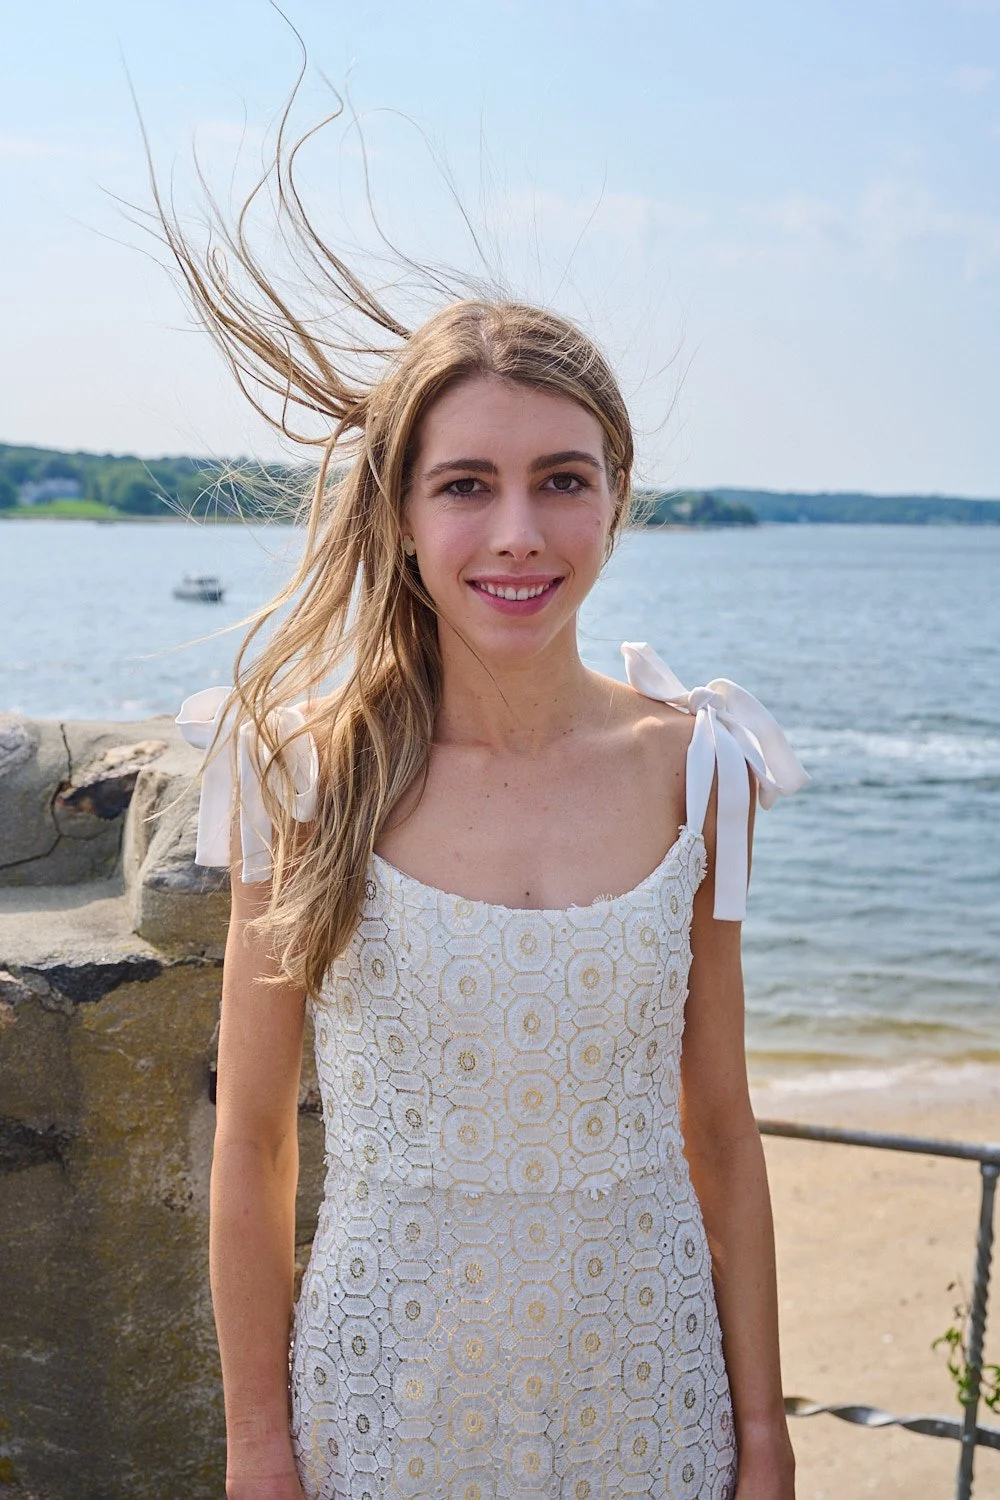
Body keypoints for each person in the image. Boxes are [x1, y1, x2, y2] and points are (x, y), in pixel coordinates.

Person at [169, 125, 807, 1500]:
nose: (518, 531)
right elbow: (254, 1136)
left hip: (648, 1389)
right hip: (386, 1401)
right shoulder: (303, 778)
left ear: (616, 500)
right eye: (467, 485)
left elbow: (721, 1130)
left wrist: (763, 1440)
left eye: (562, 480)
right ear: (401, 513)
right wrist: (257, 1445)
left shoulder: (700, 769)